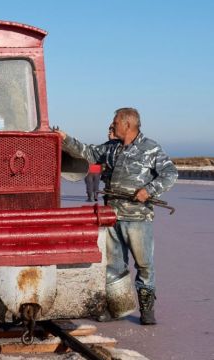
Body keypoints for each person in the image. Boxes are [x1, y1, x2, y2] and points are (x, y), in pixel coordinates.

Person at [55, 108, 178, 325]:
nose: (112, 126)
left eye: (115, 122)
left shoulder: (151, 148)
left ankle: (147, 310)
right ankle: (118, 308)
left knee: (144, 266)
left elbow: (170, 173)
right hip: (111, 216)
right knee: (113, 265)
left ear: (128, 124)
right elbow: (88, 152)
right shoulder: (111, 148)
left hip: (138, 219)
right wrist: (65, 139)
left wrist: (149, 190)